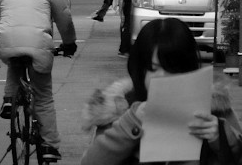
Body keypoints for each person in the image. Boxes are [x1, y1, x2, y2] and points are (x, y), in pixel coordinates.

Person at [80, 18, 242, 165]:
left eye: (173, 69)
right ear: (141, 70)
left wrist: (221, 138)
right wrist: (131, 124)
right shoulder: (118, 109)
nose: (163, 77)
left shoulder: (213, 107)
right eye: (154, 69)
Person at [0, 0, 77, 162]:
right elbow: (63, 17)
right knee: (44, 97)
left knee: (15, 60)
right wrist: (69, 43)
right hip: (37, 44)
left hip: (6, 40)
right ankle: (49, 145)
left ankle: (9, 100)